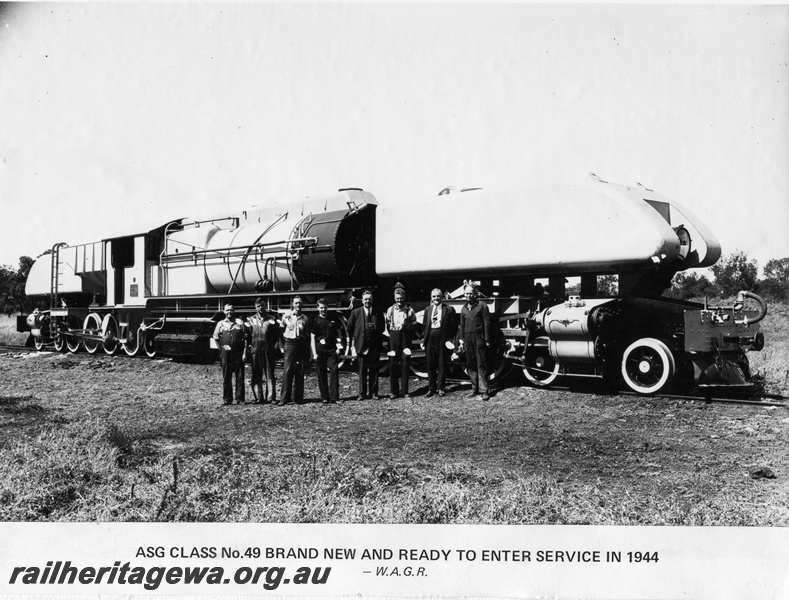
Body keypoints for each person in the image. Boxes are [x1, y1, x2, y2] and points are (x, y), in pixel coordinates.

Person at [346, 290, 385, 400]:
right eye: (366, 299)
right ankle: (361, 394)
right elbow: (349, 327)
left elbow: (382, 327)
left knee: (374, 370)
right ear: (362, 301)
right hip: (361, 345)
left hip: (374, 345)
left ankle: (374, 393)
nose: (368, 301)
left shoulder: (378, 312)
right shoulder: (356, 312)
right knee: (362, 370)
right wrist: (356, 339)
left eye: (370, 299)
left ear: (372, 300)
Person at [421, 288, 457, 397]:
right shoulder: (427, 310)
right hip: (430, 338)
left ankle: (440, 387)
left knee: (442, 363)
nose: (436, 298)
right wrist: (425, 339)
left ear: (441, 297)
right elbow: (424, 325)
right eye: (434, 296)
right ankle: (431, 388)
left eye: (438, 296)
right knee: (430, 364)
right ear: (431, 298)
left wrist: (450, 340)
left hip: (442, 338)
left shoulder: (449, 309)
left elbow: (454, 327)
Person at [458, 283, 491, 401]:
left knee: (481, 364)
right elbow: (462, 326)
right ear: (464, 294)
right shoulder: (464, 308)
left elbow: (487, 323)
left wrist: (486, 340)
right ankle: (474, 388)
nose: (468, 295)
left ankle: (484, 390)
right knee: (470, 365)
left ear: (475, 294)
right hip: (467, 339)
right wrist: (461, 340)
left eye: (471, 293)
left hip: (479, 338)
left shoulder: (482, 305)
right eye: (466, 293)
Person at [246, 297, 280, 404]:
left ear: (266, 306)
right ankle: (258, 397)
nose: (261, 308)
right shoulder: (251, 320)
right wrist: (248, 348)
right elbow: (247, 336)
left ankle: (271, 398)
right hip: (255, 349)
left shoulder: (271, 319)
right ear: (255, 307)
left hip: (268, 349)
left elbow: (276, 334)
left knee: (269, 373)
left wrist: (275, 346)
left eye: (262, 305)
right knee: (256, 373)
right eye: (258, 306)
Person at [385, 286, 417, 398]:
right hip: (394, 337)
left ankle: (405, 391)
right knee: (393, 363)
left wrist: (407, 328)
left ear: (404, 298)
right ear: (394, 298)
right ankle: (394, 391)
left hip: (405, 338)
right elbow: (388, 322)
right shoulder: (390, 310)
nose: (400, 301)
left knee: (405, 363)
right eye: (397, 298)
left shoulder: (410, 310)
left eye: (401, 298)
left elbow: (414, 324)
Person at [212, 303, 246, 405]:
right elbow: (216, 337)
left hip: (238, 353)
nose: (229, 312)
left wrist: (244, 353)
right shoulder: (220, 324)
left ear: (234, 311)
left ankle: (240, 399)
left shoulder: (239, 323)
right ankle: (227, 399)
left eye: (231, 310)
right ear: (224, 312)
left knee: (239, 376)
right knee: (227, 377)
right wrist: (221, 350)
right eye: (227, 310)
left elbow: (245, 340)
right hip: (226, 354)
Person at [279, 296, 310, 405]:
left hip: (300, 344)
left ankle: (298, 398)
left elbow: (306, 334)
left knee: (300, 370)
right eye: (296, 303)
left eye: (300, 303)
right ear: (292, 304)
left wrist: (306, 349)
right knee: (287, 370)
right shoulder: (286, 316)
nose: (298, 305)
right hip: (290, 343)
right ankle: (284, 398)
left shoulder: (305, 318)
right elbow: (281, 330)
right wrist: (281, 345)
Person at [311, 298, 342, 404]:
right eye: (321, 308)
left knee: (334, 371)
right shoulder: (315, 320)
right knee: (321, 373)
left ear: (327, 307)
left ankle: (334, 397)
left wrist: (338, 347)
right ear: (317, 308)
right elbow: (312, 338)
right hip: (320, 349)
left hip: (332, 349)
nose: (323, 309)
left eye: (324, 307)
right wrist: (314, 353)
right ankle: (324, 397)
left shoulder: (332, 318)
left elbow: (339, 333)